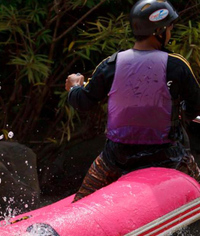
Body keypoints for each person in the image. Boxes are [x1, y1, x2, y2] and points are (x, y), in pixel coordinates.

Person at [66, 0, 200, 201]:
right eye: (170, 28)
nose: (171, 33)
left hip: (117, 158)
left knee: (81, 201)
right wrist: (183, 112)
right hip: (168, 156)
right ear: (160, 31)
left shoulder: (110, 65)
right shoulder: (177, 65)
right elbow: (195, 106)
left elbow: (83, 102)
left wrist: (74, 87)